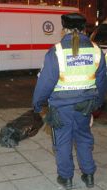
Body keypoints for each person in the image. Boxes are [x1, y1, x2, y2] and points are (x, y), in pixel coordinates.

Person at [32, 13, 106, 190]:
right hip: (85, 106)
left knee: (63, 141)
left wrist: (37, 103)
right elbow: (102, 81)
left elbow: (45, 82)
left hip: (60, 107)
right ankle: (88, 175)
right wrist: (96, 104)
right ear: (83, 29)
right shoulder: (96, 50)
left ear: (64, 29)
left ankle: (66, 178)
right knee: (83, 139)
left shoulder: (56, 51)